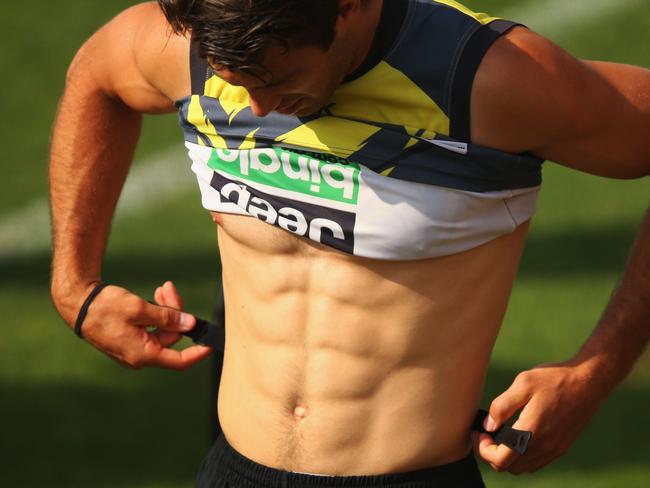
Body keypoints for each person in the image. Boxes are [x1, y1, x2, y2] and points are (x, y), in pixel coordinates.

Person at [49, 0, 649, 486]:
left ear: (350, 8)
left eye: (279, 79)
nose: (257, 109)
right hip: (231, 472)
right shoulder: (202, 45)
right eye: (237, 83)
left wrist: (596, 369)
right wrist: (74, 284)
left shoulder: (485, 78)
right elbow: (97, 74)